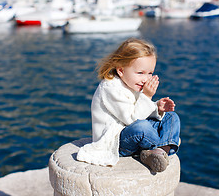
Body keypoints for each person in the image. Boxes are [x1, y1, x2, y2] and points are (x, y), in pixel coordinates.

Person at [77, 38, 180, 172]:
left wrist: (157, 108)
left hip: (133, 130)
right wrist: (147, 96)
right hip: (117, 140)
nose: (146, 78)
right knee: (141, 127)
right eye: (140, 73)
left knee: (171, 117)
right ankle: (162, 145)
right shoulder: (110, 88)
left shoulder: (131, 82)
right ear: (121, 71)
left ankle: (159, 151)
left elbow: (137, 108)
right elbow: (132, 119)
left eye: (150, 73)